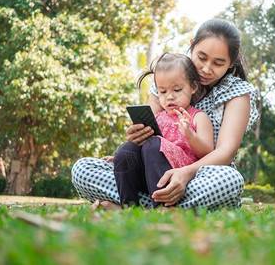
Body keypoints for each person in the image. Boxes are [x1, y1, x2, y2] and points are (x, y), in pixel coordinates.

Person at [72, 18, 260, 210]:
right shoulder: (168, 80)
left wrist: (185, 174)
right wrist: (131, 146)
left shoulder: (237, 93)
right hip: (152, 174)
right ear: (191, 46)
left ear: (232, 62)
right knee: (83, 170)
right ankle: (159, 207)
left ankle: (133, 207)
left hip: (200, 178)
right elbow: (150, 137)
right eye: (201, 58)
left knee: (229, 181)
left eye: (218, 63)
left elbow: (225, 153)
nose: (206, 68)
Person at [113, 52, 214, 208]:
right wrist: (119, 157)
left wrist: (190, 135)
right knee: (126, 149)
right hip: (149, 176)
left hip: (179, 176)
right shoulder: (157, 118)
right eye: (163, 92)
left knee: (154, 144)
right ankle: (129, 207)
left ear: (193, 86)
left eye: (177, 90)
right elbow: (142, 151)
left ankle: (162, 207)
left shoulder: (198, 117)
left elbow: (208, 152)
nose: (170, 97)